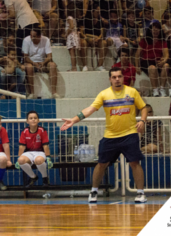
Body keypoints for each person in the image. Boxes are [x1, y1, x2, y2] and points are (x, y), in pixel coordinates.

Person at [60, 67, 148, 203]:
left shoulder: (132, 92)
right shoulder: (104, 94)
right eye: (114, 77)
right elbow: (90, 109)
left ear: (123, 78)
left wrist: (142, 120)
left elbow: (143, 108)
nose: (117, 79)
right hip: (110, 136)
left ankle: (141, 193)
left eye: (119, 76)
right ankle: (94, 191)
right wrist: (74, 119)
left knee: (134, 163)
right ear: (110, 79)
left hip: (130, 134)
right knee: (101, 163)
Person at [23, 29, 60, 99]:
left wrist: (43, 63)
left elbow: (49, 56)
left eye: (33, 36)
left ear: (39, 36)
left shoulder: (46, 40)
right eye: (31, 35)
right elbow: (25, 57)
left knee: (52, 65)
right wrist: (34, 63)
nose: (31, 37)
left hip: (43, 62)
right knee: (28, 67)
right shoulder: (26, 40)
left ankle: (54, 92)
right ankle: (32, 93)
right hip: (31, 62)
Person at [17, 111, 51, 187]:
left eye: (35, 118)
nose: (33, 120)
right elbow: (21, 146)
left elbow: (45, 145)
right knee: (21, 160)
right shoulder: (24, 131)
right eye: (31, 118)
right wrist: (18, 157)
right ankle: (33, 177)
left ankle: (45, 177)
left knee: (38, 160)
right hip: (29, 152)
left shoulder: (42, 130)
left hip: (40, 152)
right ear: (27, 121)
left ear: (38, 120)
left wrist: (48, 157)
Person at [136, 22, 169, 97]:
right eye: (154, 29)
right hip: (146, 61)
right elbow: (137, 54)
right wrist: (137, 66)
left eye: (157, 30)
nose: (155, 31)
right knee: (152, 68)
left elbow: (166, 55)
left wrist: (163, 61)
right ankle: (155, 90)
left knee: (166, 66)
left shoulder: (162, 41)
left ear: (160, 31)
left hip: (158, 61)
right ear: (150, 30)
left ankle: (162, 89)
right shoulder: (145, 40)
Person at [84, 4, 107, 72]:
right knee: (83, 43)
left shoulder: (100, 20)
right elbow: (83, 34)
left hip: (97, 40)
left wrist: (98, 38)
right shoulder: (86, 19)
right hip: (87, 39)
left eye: (99, 12)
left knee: (104, 43)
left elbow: (102, 33)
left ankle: (100, 65)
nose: (98, 13)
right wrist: (93, 38)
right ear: (92, 11)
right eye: (97, 12)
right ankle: (85, 66)